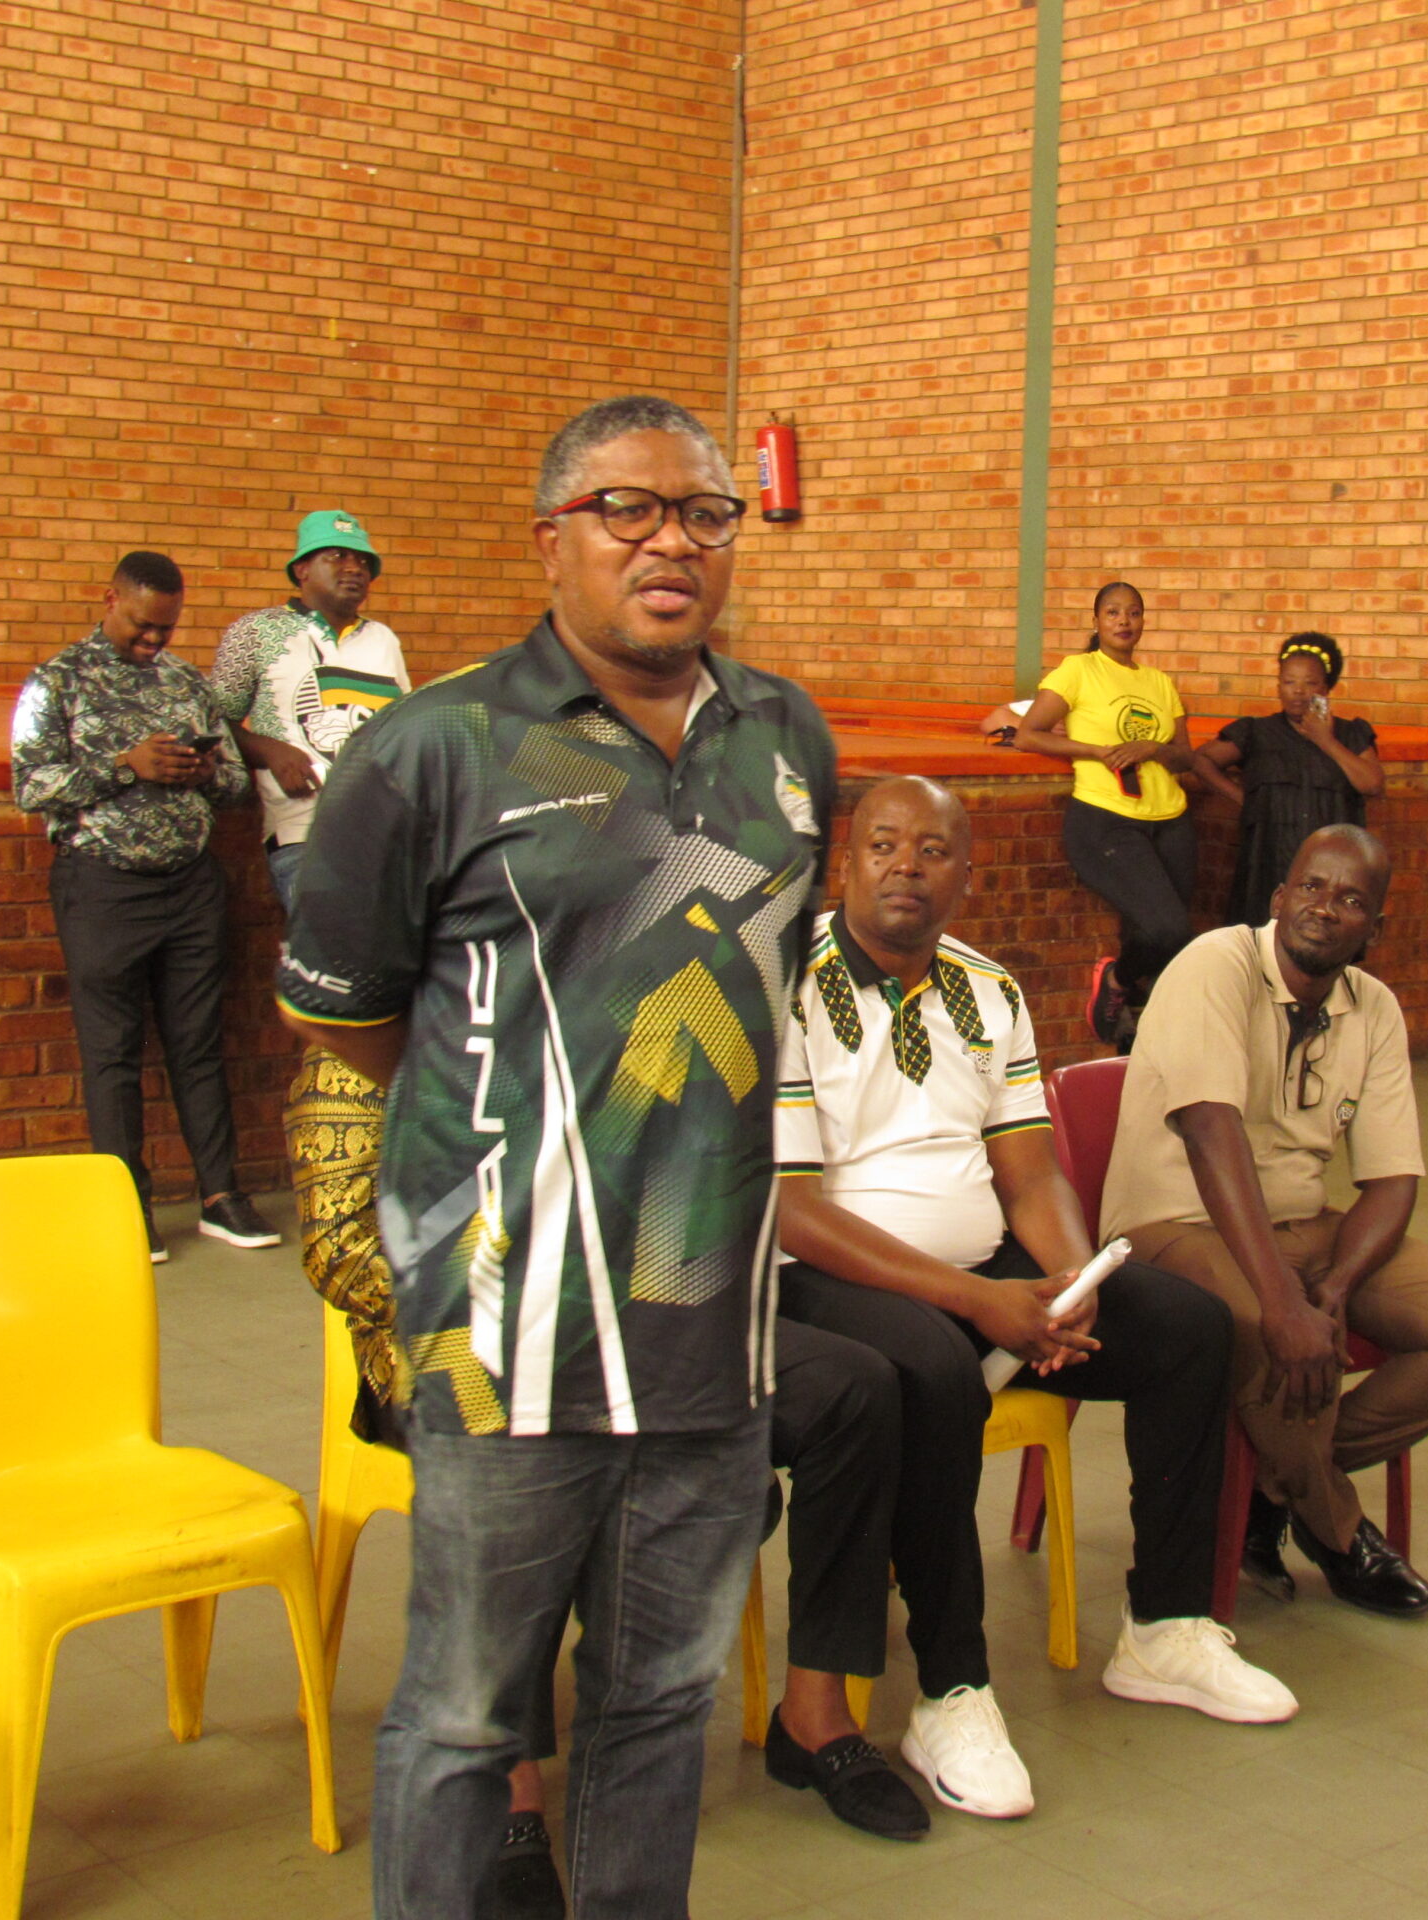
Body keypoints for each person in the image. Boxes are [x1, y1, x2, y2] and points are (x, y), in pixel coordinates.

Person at [275, 395, 840, 1919]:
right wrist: (527, 1126)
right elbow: (349, 1018)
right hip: (506, 1341)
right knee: (465, 1723)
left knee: (660, 1710)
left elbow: (752, 978)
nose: (671, 539)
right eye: (626, 508)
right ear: (551, 539)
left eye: (705, 512)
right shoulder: (432, 747)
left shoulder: (786, 737)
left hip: (715, 1335)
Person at [777, 775, 1297, 1820]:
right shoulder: (780, 986)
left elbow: (1026, 1173)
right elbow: (789, 1211)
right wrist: (977, 1304)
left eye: (932, 852)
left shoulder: (990, 989)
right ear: (846, 863)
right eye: (882, 845)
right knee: (930, 1370)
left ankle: (1165, 1628)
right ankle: (950, 1690)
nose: (905, 868)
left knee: (1191, 1328)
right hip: (826, 1281)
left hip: (981, 1273)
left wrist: (1066, 1277)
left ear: (967, 877)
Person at [286, 1050, 924, 1892]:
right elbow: (342, 1245)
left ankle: (814, 1714)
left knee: (852, 1390)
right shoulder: (367, 1040)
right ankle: (506, 1785)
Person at [1104, 826, 1428, 1615]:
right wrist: (1282, 1302)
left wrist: (1332, 1288)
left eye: (1350, 901)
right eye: (1310, 888)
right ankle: (1338, 1530)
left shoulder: (1374, 1009)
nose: (1324, 909)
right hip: (1176, 1224)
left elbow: (1392, 1178)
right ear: (1278, 898)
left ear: (1374, 927)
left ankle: (1278, 1482)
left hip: (1304, 1226)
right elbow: (1208, 1129)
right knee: (1266, 1331)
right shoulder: (1215, 965)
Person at [10, 549, 281, 1263]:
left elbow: (231, 784)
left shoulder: (186, 683)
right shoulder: (57, 681)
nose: (153, 640)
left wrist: (201, 771)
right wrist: (123, 765)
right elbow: (30, 785)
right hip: (103, 885)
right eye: (141, 625)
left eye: (165, 628)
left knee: (198, 1044)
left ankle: (222, 1196)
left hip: (189, 884)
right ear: (110, 600)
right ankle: (123, 1205)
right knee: (112, 1053)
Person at [1014, 582, 1241, 1048]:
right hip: (1106, 817)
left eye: (1133, 613)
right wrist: (1095, 751)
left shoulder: (1159, 682)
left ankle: (1136, 1039)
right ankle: (1116, 980)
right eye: (1113, 613)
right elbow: (1028, 735)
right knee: (1167, 927)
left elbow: (1185, 757)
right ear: (1096, 622)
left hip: (1171, 818)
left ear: (1143, 621)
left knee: (1169, 942)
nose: (1124, 621)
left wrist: (1154, 748)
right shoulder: (1078, 671)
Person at [208, 509, 411, 913]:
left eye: (363, 561)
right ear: (301, 569)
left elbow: (403, 730)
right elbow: (212, 723)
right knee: (332, 962)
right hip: (305, 837)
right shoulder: (256, 632)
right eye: (336, 556)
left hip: (384, 838)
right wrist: (270, 751)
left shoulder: (383, 640)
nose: (354, 568)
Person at [1198, 631, 1386, 927]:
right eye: (1289, 682)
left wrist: (1326, 740)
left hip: (1331, 871)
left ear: (1325, 688)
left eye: (1310, 683)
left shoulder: (1350, 734)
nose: (1298, 691)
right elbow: (1201, 760)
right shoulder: (1257, 732)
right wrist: (1245, 800)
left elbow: (1372, 783)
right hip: (1268, 862)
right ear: (1278, 687)